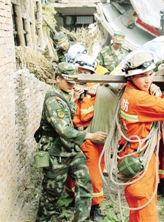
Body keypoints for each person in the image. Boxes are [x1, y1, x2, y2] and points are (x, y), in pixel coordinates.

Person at [36, 62, 108, 222]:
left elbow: (71, 114)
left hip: (70, 149)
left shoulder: (65, 94)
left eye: (73, 82)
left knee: (84, 182)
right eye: (68, 82)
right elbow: (64, 130)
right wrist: (90, 136)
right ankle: (44, 218)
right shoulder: (53, 100)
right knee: (52, 193)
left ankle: (81, 218)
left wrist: (74, 98)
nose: (71, 85)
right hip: (55, 152)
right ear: (58, 78)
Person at [118, 50, 164, 221]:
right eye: (141, 76)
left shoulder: (130, 93)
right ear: (130, 77)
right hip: (140, 161)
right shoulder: (138, 99)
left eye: (150, 74)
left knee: (137, 210)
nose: (147, 80)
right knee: (145, 209)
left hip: (136, 156)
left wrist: (153, 90)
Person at [63, 54, 106, 221]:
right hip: (72, 137)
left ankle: (95, 207)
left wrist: (88, 95)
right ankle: (76, 199)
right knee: (70, 174)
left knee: (93, 174)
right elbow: (67, 118)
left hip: (90, 138)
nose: (83, 76)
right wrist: (74, 98)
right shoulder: (67, 93)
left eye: (87, 73)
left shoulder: (98, 94)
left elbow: (87, 116)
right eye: (80, 72)